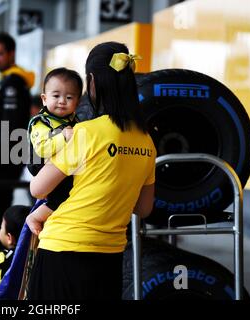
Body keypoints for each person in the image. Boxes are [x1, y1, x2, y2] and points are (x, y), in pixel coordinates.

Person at [27, 41, 156, 300]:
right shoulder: (147, 141)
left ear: (93, 82)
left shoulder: (85, 132)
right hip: (109, 257)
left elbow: (38, 188)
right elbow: (143, 209)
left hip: (62, 252)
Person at [0, 32, 34, 251]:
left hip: (3, 160)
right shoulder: (5, 81)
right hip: (1, 156)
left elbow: (10, 124)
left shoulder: (13, 82)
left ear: (11, 53)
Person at [25, 67, 83, 235]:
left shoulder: (74, 120)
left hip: (65, 167)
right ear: (44, 99)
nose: (62, 101)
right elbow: (42, 148)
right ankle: (35, 217)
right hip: (43, 167)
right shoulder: (42, 122)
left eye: (69, 97)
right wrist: (63, 137)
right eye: (56, 96)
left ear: (78, 102)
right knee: (61, 196)